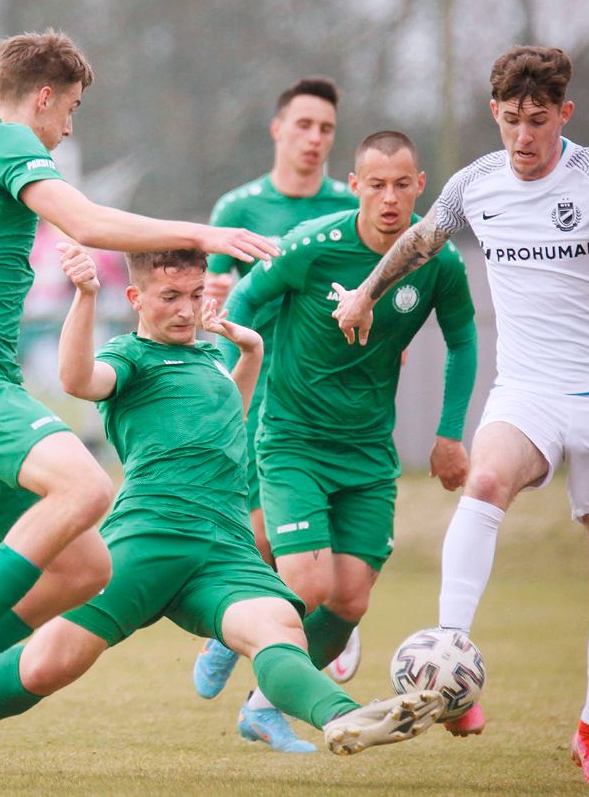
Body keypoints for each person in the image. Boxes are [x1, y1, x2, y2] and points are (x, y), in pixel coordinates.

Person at [0, 30, 277, 776]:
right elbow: (83, 222)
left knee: (85, 570)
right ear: (44, 97)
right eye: (71, 108)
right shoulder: (8, 145)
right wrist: (200, 231)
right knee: (88, 486)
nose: (69, 128)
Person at [331, 46, 589, 786]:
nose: (523, 136)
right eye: (511, 119)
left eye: (538, 120)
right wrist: (364, 294)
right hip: (528, 392)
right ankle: (448, 656)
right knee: (485, 481)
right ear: (495, 114)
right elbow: (419, 242)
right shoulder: (475, 183)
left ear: (563, 115)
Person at [0, 245, 443, 760]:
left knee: (279, 630)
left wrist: (252, 354)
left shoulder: (212, 358)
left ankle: (342, 715)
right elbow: (78, 380)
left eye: (195, 295)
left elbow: (227, 420)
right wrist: (85, 295)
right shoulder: (130, 357)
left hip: (226, 549)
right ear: (136, 298)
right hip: (149, 538)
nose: (186, 309)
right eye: (170, 296)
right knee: (48, 665)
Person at [195, 131, 478, 752]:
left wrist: (449, 435)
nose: (389, 198)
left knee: (349, 599)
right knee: (307, 585)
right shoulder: (313, 244)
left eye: (401, 185)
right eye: (376, 185)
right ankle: (229, 629)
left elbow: (462, 341)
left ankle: (263, 706)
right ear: (355, 187)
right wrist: (228, 377)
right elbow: (246, 296)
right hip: (293, 439)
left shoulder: (438, 262)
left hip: (369, 453)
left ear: (420, 187)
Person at [196, 77, 361, 687]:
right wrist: (214, 298)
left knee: (323, 540)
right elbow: (208, 301)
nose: (315, 138)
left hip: (330, 394)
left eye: (326, 129)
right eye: (304, 125)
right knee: (260, 535)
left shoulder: (352, 207)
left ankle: (270, 643)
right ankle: (238, 631)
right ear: (277, 129)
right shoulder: (238, 210)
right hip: (261, 390)